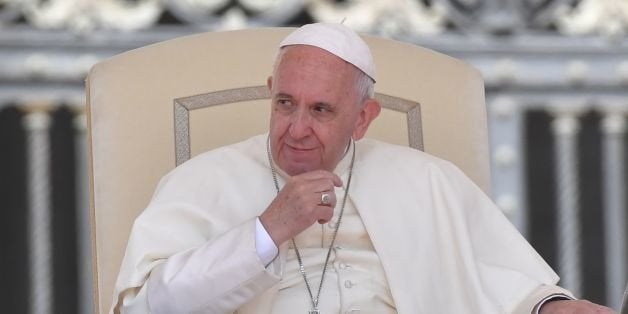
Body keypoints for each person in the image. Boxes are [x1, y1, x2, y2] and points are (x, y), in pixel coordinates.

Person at [110, 23, 614, 314]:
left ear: (364, 118)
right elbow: (152, 307)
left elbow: (495, 284)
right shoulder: (202, 181)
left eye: (322, 110)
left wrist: (551, 308)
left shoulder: (427, 181)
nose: (297, 128)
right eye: (286, 103)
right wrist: (267, 231)